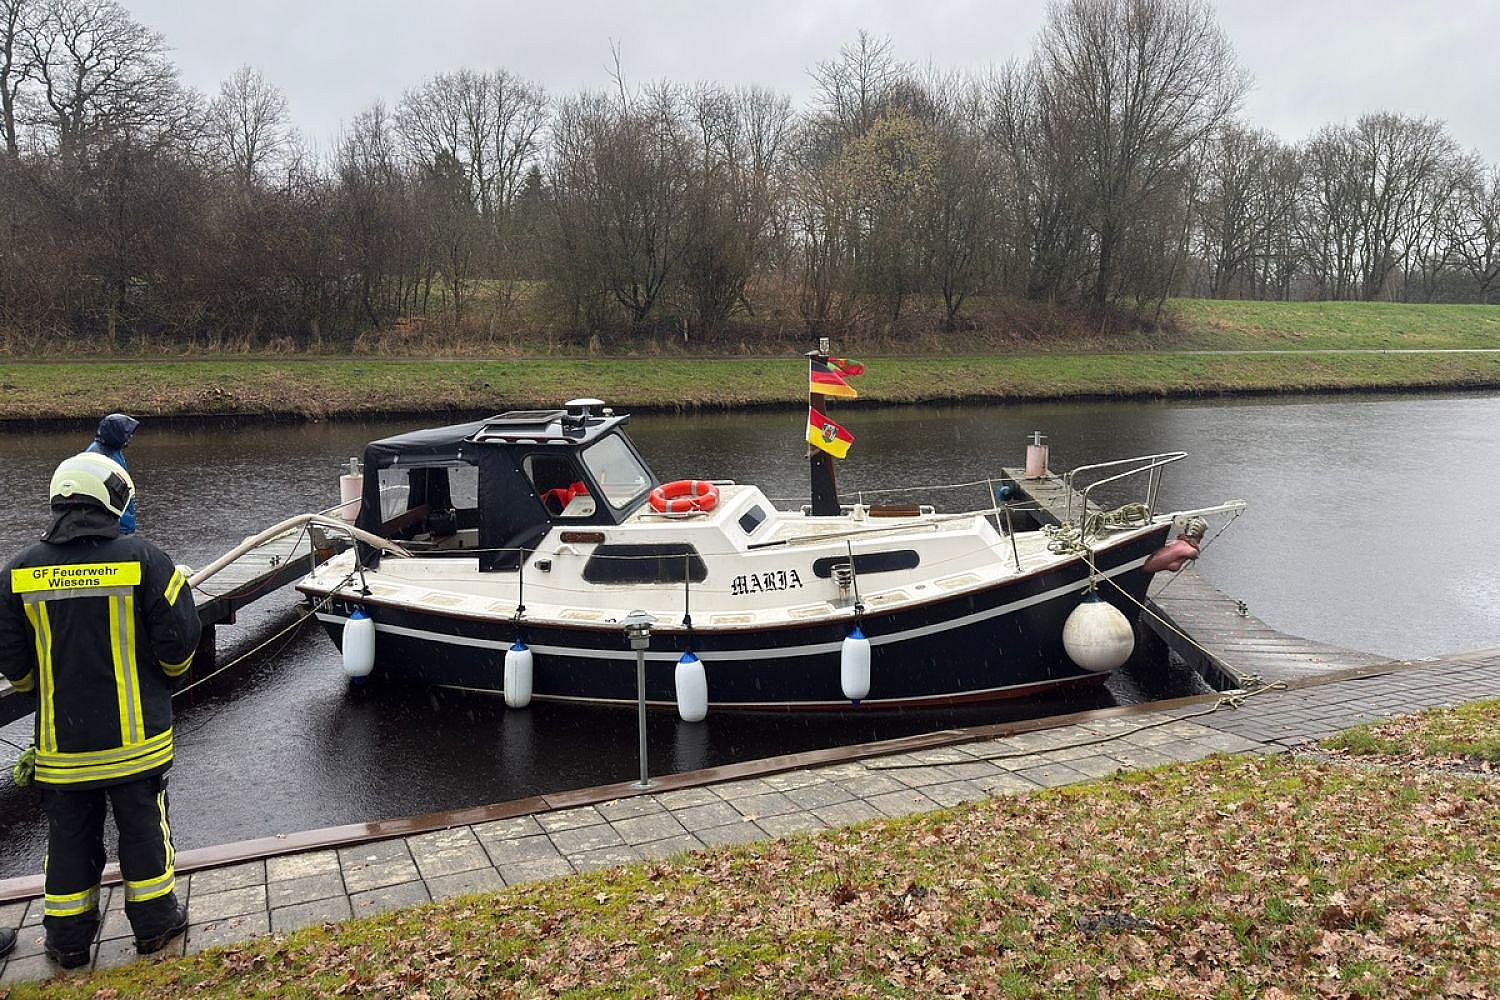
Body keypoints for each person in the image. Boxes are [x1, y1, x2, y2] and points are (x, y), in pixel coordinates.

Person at [0, 452, 200, 968]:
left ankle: (67, 942)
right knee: (144, 830)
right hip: (136, 742)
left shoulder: (18, 572)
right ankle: (155, 926)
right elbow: (179, 642)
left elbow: (11, 658)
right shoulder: (146, 560)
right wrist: (166, 680)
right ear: (111, 499)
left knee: (69, 838)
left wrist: (39, 690)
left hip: (63, 745)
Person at [85, 414, 139, 535]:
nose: (130, 436)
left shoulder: (112, 449)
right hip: (113, 526)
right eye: (127, 433)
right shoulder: (99, 456)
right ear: (116, 433)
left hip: (118, 521)